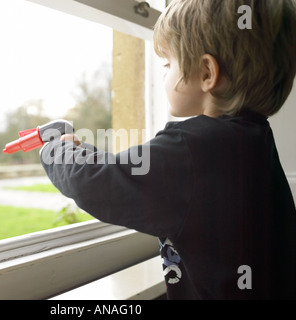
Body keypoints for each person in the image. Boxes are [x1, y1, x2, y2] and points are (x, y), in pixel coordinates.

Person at [40, 0, 296, 299]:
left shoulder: (194, 147)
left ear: (205, 73)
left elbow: (95, 181)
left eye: (167, 63)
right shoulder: (254, 140)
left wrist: (56, 148)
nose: (163, 74)